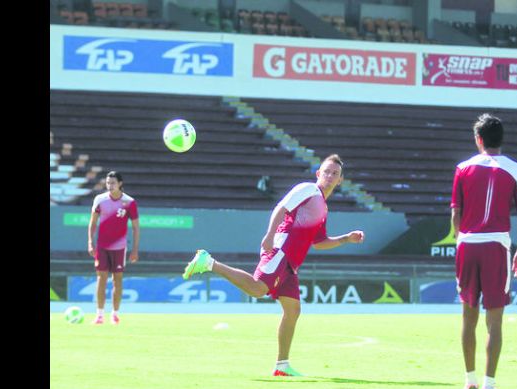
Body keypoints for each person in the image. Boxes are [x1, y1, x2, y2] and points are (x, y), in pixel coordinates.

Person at [182, 154, 365, 376]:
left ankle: (282, 366)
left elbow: (318, 243)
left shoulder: (323, 208)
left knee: (293, 310)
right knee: (259, 288)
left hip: (291, 264)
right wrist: (269, 235)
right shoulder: (308, 189)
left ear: (340, 181)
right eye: (326, 171)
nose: (329, 176)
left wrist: (346, 238)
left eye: (334, 174)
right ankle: (209, 262)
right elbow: (281, 208)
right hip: (281, 250)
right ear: (318, 174)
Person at [451, 113, 517, 389]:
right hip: (497, 245)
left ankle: (469, 382)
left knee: (467, 316)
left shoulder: (462, 168)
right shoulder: (516, 170)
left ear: (478, 139)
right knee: (494, 321)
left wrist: (460, 240)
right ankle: (489, 386)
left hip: (467, 244)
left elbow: (455, 214)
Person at [87, 171, 140, 325]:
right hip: (102, 246)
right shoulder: (99, 200)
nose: (110, 186)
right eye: (108, 183)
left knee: (117, 279)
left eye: (113, 183)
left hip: (119, 248)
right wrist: (90, 242)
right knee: (101, 278)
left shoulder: (130, 202)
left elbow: (136, 227)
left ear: (120, 184)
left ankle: (115, 314)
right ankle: (99, 315)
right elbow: (92, 223)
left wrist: (135, 249)